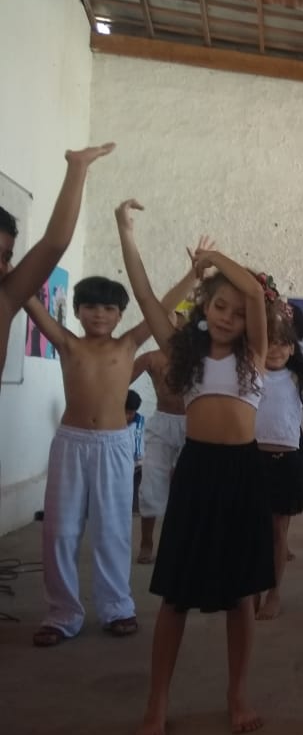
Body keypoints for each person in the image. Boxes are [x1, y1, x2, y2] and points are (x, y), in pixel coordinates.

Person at [116, 200, 274, 735]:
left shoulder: (254, 354)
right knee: (176, 595)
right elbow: (143, 295)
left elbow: (254, 291)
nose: (228, 316)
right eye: (219, 306)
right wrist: (126, 232)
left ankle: (238, 694)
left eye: (236, 311)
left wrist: (213, 259)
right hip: (199, 471)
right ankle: (157, 702)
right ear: (204, 306)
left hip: (244, 473)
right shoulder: (183, 353)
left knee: (242, 596)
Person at [26, 261, 192, 649]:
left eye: (108, 308)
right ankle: (62, 613)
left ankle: (117, 607)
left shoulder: (128, 344)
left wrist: (193, 275)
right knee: (59, 530)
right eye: (90, 306)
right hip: (71, 444)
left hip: (114, 446)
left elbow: (161, 304)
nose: (99, 314)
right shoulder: (67, 343)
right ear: (76, 310)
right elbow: (32, 304)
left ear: (120, 315)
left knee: (113, 530)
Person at [0, 144, 114, 383]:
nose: (1, 266)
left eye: (6, 257)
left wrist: (77, 168)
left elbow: (55, 243)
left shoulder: (5, 299)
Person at [256, 298, 303, 620]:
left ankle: (274, 593)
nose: (275, 349)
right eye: (269, 341)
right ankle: (252, 589)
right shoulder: (250, 372)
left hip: (285, 461)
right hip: (251, 460)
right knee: (252, 531)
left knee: (277, 532)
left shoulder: (297, 377)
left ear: (292, 348)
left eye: (283, 343)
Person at [131, 291, 198, 564]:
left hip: (194, 424)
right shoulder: (152, 358)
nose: (175, 323)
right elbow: (118, 381)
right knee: (151, 483)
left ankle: (184, 542)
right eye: (171, 317)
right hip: (162, 422)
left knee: (190, 487)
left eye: (180, 318)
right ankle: (147, 541)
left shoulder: (200, 358)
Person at [126, 389, 146, 514]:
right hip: (123, 465)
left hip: (138, 465)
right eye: (126, 412)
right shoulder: (115, 423)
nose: (128, 416)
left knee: (136, 492)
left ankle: (134, 509)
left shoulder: (140, 422)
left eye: (131, 413)